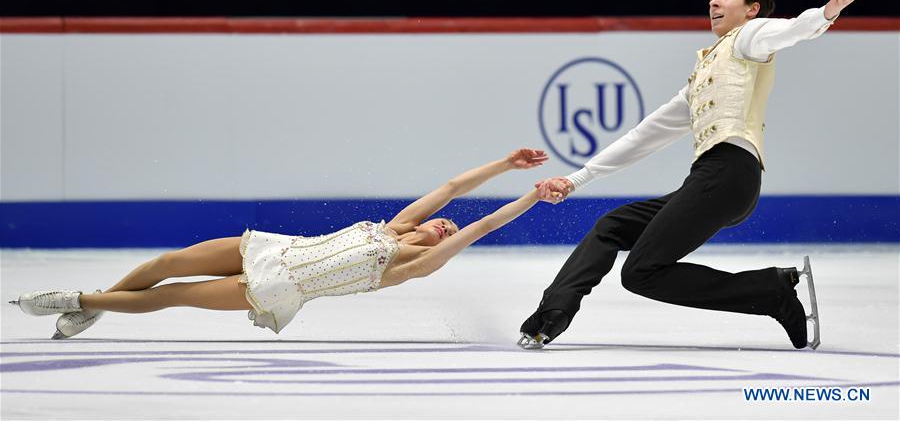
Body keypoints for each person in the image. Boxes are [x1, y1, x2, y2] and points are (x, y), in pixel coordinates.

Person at [519, 0, 868, 350]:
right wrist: (576, 179)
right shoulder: (703, 71)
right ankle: (552, 315)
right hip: (710, 180)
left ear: (752, 9)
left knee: (641, 273)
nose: (714, 2)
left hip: (729, 174)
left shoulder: (749, 37)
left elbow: (790, 30)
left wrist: (825, 14)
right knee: (612, 226)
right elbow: (644, 135)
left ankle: (770, 291)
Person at [11, 148, 558, 338]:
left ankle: (77, 301)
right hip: (273, 248)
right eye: (445, 223)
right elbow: (450, 188)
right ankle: (103, 304)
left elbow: (483, 225)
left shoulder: (413, 263)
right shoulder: (395, 227)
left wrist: (531, 197)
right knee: (167, 262)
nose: (448, 225)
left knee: (173, 294)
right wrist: (506, 163)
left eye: (451, 230)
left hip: (279, 289)